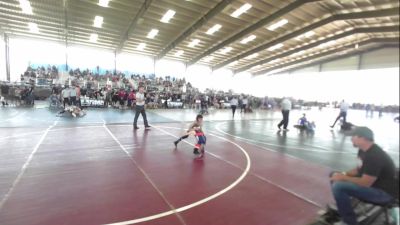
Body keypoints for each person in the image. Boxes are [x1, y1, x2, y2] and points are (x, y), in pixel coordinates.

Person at [329, 126, 397, 225]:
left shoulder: (375, 156)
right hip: (374, 185)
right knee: (334, 175)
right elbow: (358, 170)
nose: (351, 139)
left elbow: (365, 183)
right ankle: (344, 205)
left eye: (353, 137)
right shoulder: (363, 150)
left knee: (339, 187)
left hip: (384, 193)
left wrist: (343, 178)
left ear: (363, 138)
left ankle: (349, 221)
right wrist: (343, 174)